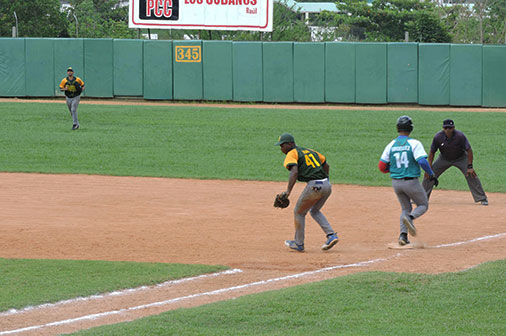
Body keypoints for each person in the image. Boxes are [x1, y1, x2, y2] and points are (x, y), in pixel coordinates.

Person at [378, 116, 438, 246]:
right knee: (423, 205)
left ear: (397, 129)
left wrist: (395, 169)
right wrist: (431, 174)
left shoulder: (391, 145)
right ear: (411, 129)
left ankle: (403, 236)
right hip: (411, 182)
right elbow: (422, 160)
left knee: (405, 208)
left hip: (396, 183)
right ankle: (410, 218)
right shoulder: (414, 143)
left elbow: (382, 166)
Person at [276, 133, 339, 252]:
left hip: (314, 186)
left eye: (282, 145)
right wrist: (326, 180)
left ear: (290, 144)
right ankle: (331, 235)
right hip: (326, 185)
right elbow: (326, 164)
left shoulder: (292, 153)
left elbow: (294, 171)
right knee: (314, 211)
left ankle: (298, 243)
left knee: (299, 212)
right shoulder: (310, 151)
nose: (281, 149)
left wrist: (288, 192)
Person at [422, 119, 488, 205]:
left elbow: (469, 151)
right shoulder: (438, 137)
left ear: (454, 128)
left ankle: (482, 198)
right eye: (446, 128)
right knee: (429, 175)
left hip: (460, 158)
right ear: (443, 128)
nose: (448, 130)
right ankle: (421, 198)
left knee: (471, 174)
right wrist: (429, 167)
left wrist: (470, 166)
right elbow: (432, 152)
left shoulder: (460, 136)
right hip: (444, 158)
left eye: (450, 128)